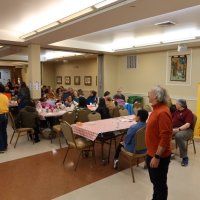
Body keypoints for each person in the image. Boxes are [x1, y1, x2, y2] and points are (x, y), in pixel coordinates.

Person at [145, 85, 172, 200]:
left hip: (159, 156)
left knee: (160, 185)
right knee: (156, 183)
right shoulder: (156, 110)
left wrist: (157, 156)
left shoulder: (163, 112)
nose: (148, 94)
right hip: (151, 153)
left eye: (149, 92)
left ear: (156, 96)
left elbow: (165, 137)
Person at [172, 99, 193, 166]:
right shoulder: (176, 111)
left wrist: (178, 129)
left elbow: (187, 125)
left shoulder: (188, 112)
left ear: (181, 105)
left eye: (176, 103)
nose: (175, 104)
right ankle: (168, 153)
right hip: (176, 129)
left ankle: (185, 157)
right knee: (164, 133)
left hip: (187, 130)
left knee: (178, 136)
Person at [0, 83, 9, 152]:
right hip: (5, 116)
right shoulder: (5, 96)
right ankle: (5, 146)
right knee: (4, 131)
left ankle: (1, 148)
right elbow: (7, 105)